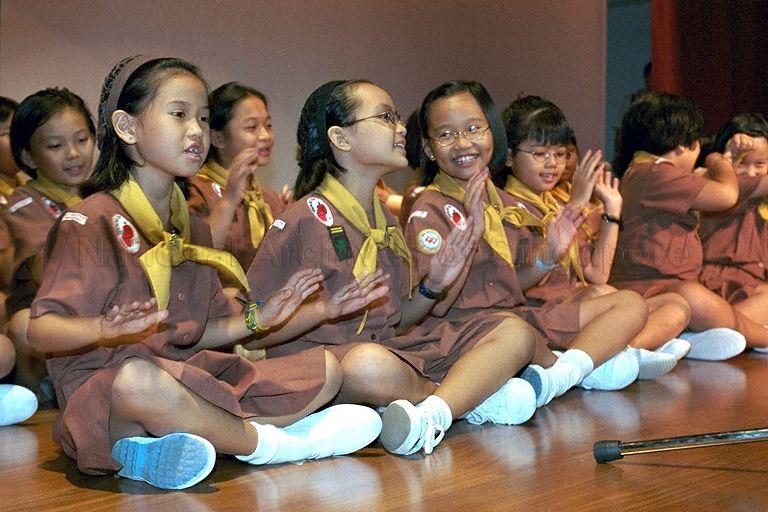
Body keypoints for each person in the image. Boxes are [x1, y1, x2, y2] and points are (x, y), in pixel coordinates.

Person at [26, 55, 381, 490]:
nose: (196, 130)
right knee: (139, 380)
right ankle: (270, 446)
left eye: (202, 117)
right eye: (178, 115)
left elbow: (195, 333)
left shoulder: (189, 224)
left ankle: (157, 448)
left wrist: (260, 319)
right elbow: (40, 331)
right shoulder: (89, 220)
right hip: (109, 398)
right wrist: (101, 327)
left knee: (325, 369)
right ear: (127, 127)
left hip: (185, 374)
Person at [249, 79, 546, 457]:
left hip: (395, 353)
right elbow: (254, 335)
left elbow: (398, 321)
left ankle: (437, 409)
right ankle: (467, 398)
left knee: (513, 331)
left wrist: (434, 284)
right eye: (386, 117)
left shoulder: (384, 223)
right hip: (332, 365)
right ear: (341, 139)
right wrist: (323, 311)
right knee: (364, 366)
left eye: (398, 118)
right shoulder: (303, 220)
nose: (402, 127)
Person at [503, 96, 691, 375]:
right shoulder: (504, 207)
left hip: (574, 308)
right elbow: (508, 285)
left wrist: (612, 211)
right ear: (508, 157)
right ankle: (614, 355)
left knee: (677, 304)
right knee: (610, 296)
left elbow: (598, 272)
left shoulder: (556, 200)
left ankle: (620, 353)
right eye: (540, 154)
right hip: (535, 315)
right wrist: (576, 206)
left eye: (560, 153)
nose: (553, 163)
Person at [610, 91, 749, 359]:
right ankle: (761, 337)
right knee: (700, 301)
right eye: (696, 144)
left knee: (703, 302)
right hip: (653, 286)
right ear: (680, 145)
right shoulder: (658, 174)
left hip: (653, 284)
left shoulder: (641, 170)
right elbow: (726, 195)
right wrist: (717, 161)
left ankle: (687, 340)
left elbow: (704, 184)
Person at [4, 88, 96, 400]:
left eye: (82, 139)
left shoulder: (102, 195)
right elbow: (46, 276)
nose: (73, 153)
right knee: (22, 324)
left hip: (99, 309)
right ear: (29, 156)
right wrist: (75, 218)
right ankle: (34, 399)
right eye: (56, 145)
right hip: (49, 310)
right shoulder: (24, 203)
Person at [187, 82, 288, 275]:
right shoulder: (194, 189)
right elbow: (197, 261)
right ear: (218, 138)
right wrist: (229, 200)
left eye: (268, 125)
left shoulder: (268, 199)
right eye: (252, 127)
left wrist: (292, 219)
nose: (265, 136)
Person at [698, 114, 768, 350]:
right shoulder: (713, 187)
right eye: (741, 163)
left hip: (752, 290)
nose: (751, 173)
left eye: (760, 164)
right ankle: (717, 333)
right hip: (716, 285)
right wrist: (724, 157)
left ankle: (721, 335)